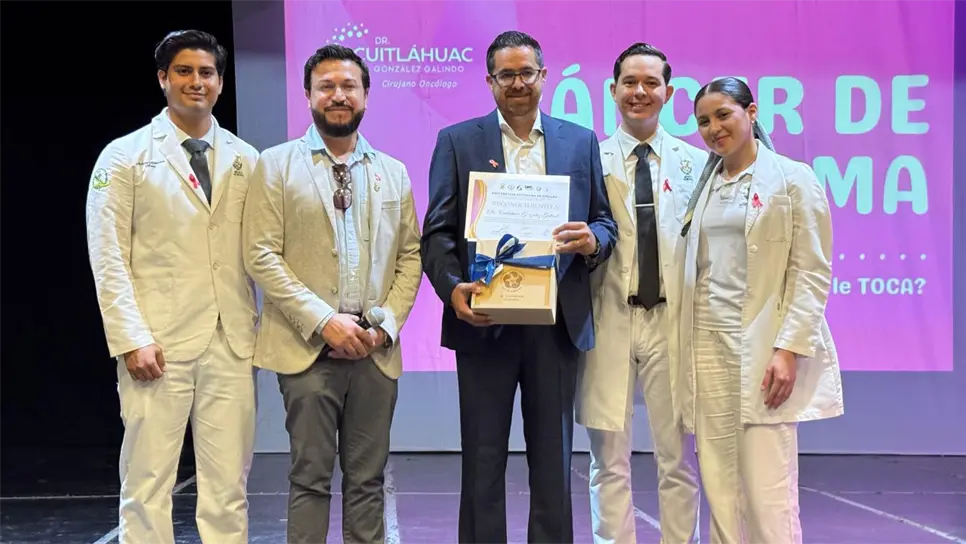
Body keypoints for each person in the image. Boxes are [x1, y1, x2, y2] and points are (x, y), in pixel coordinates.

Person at [420, 30, 618, 544]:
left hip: (556, 325)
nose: (517, 83)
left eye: (526, 72)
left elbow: (605, 223)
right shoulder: (457, 141)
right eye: (505, 75)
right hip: (484, 321)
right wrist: (453, 287)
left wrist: (590, 240)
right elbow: (437, 233)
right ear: (489, 82)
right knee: (482, 460)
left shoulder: (580, 140)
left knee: (553, 464)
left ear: (543, 77)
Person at [241, 44, 422, 544]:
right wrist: (325, 321)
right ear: (308, 95)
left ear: (366, 95)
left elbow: (411, 256)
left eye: (349, 86)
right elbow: (260, 254)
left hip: (374, 352)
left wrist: (383, 326)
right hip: (306, 350)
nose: (338, 95)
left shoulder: (394, 171)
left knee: (368, 482)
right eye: (327, 86)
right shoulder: (274, 166)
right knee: (310, 480)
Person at [85, 30, 259, 544]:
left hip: (230, 342)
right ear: (163, 78)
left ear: (221, 83)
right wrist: (130, 338)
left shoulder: (248, 158)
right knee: (147, 483)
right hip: (155, 344)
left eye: (206, 73)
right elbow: (108, 256)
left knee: (229, 486)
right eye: (183, 71)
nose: (195, 82)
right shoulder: (124, 157)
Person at [677, 76, 845, 543]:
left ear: (751, 113)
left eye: (724, 115)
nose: (713, 129)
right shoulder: (704, 185)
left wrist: (789, 348)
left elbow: (811, 271)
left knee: (767, 489)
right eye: (704, 121)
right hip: (707, 344)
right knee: (721, 486)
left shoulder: (793, 179)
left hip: (760, 347)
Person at [575, 43, 703, 544]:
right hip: (609, 316)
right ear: (613, 91)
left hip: (670, 321)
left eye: (651, 83)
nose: (640, 92)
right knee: (608, 458)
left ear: (669, 93)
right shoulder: (588, 159)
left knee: (677, 457)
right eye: (630, 82)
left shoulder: (698, 165)